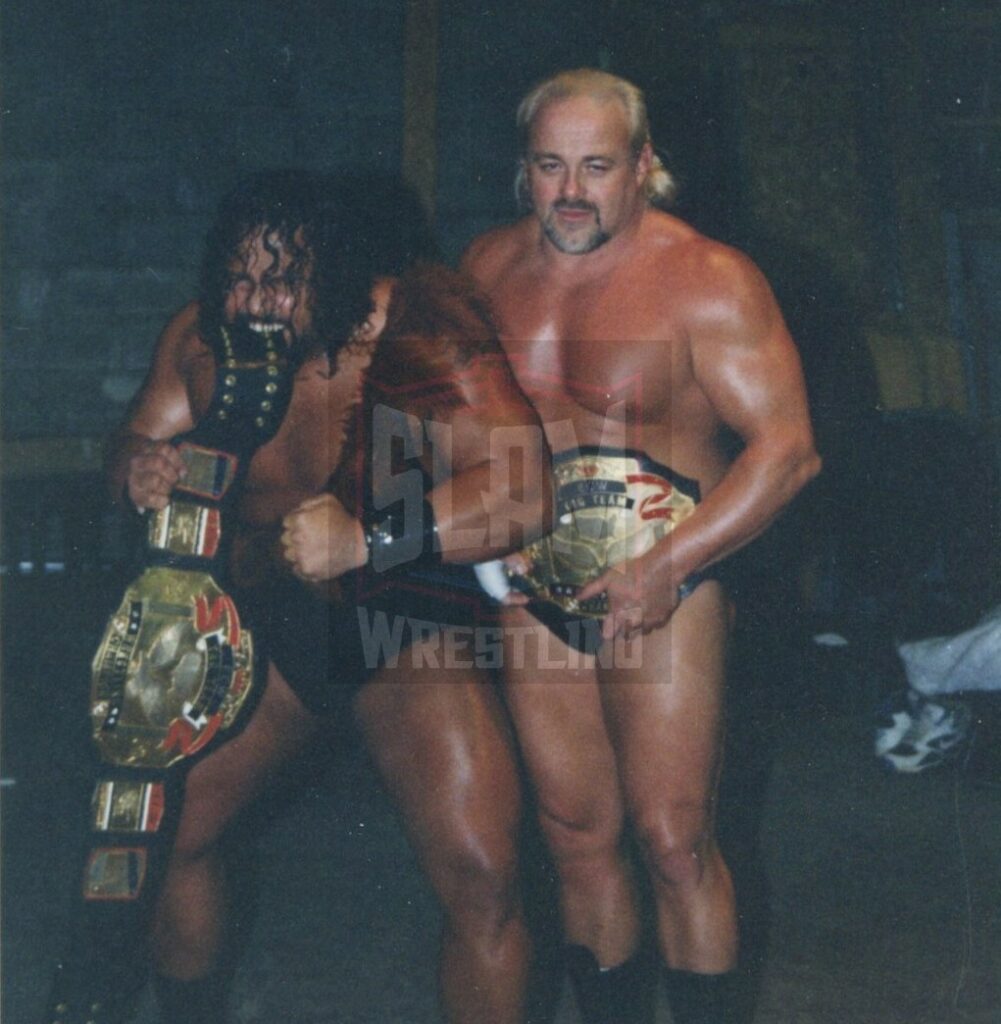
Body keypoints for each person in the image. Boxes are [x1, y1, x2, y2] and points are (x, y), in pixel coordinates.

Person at [95, 169, 551, 1024]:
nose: (257, 300)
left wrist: (372, 537)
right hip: (268, 617)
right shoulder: (199, 341)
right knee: (167, 838)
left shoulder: (416, 332)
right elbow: (128, 438)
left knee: (483, 876)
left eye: (284, 278)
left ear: (335, 276)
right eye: (239, 274)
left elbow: (524, 494)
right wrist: (138, 468)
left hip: (400, 615)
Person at [458, 69, 821, 1024]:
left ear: (643, 167)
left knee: (671, 838)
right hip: (537, 588)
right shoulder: (486, 270)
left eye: (596, 167)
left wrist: (668, 567)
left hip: (670, 579)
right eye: (549, 167)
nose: (571, 192)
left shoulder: (706, 279)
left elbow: (787, 454)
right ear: (522, 171)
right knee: (574, 837)